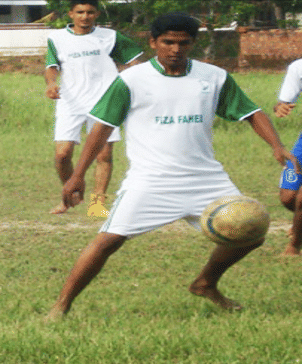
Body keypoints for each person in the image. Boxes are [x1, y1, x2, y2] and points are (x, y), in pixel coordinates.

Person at [47, 12, 299, 320]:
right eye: (168, 42)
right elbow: (101, 128)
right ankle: (60, 307)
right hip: (150, 181)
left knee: (251, 232)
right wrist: (77, 175)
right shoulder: (131, 80)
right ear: (153, 42)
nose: (176, 49)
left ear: (193, 43)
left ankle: (205, 283)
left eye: (184, 43)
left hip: (206, 179)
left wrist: (277, 146)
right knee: (107, 242)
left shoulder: (213, 77)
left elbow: (252, 112)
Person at [44, 0, 143, 216]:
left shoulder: (110, 36)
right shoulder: (57, 38)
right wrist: (51, 84)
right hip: (70, 102)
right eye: (80, 12)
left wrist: (136, 81)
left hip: (105, 101)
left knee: (103, 155)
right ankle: (70, 196)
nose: (85, 16)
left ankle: (97, 203)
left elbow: (134, 61)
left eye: (90, 12)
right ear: (71, 14)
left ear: (96, 14)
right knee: (62, 155)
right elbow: (51, 66)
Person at [273, 58, 302, 255]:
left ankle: (294, 247)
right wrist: (280, 108)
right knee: (288, 198)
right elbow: (282, 103)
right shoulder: (298, 67)